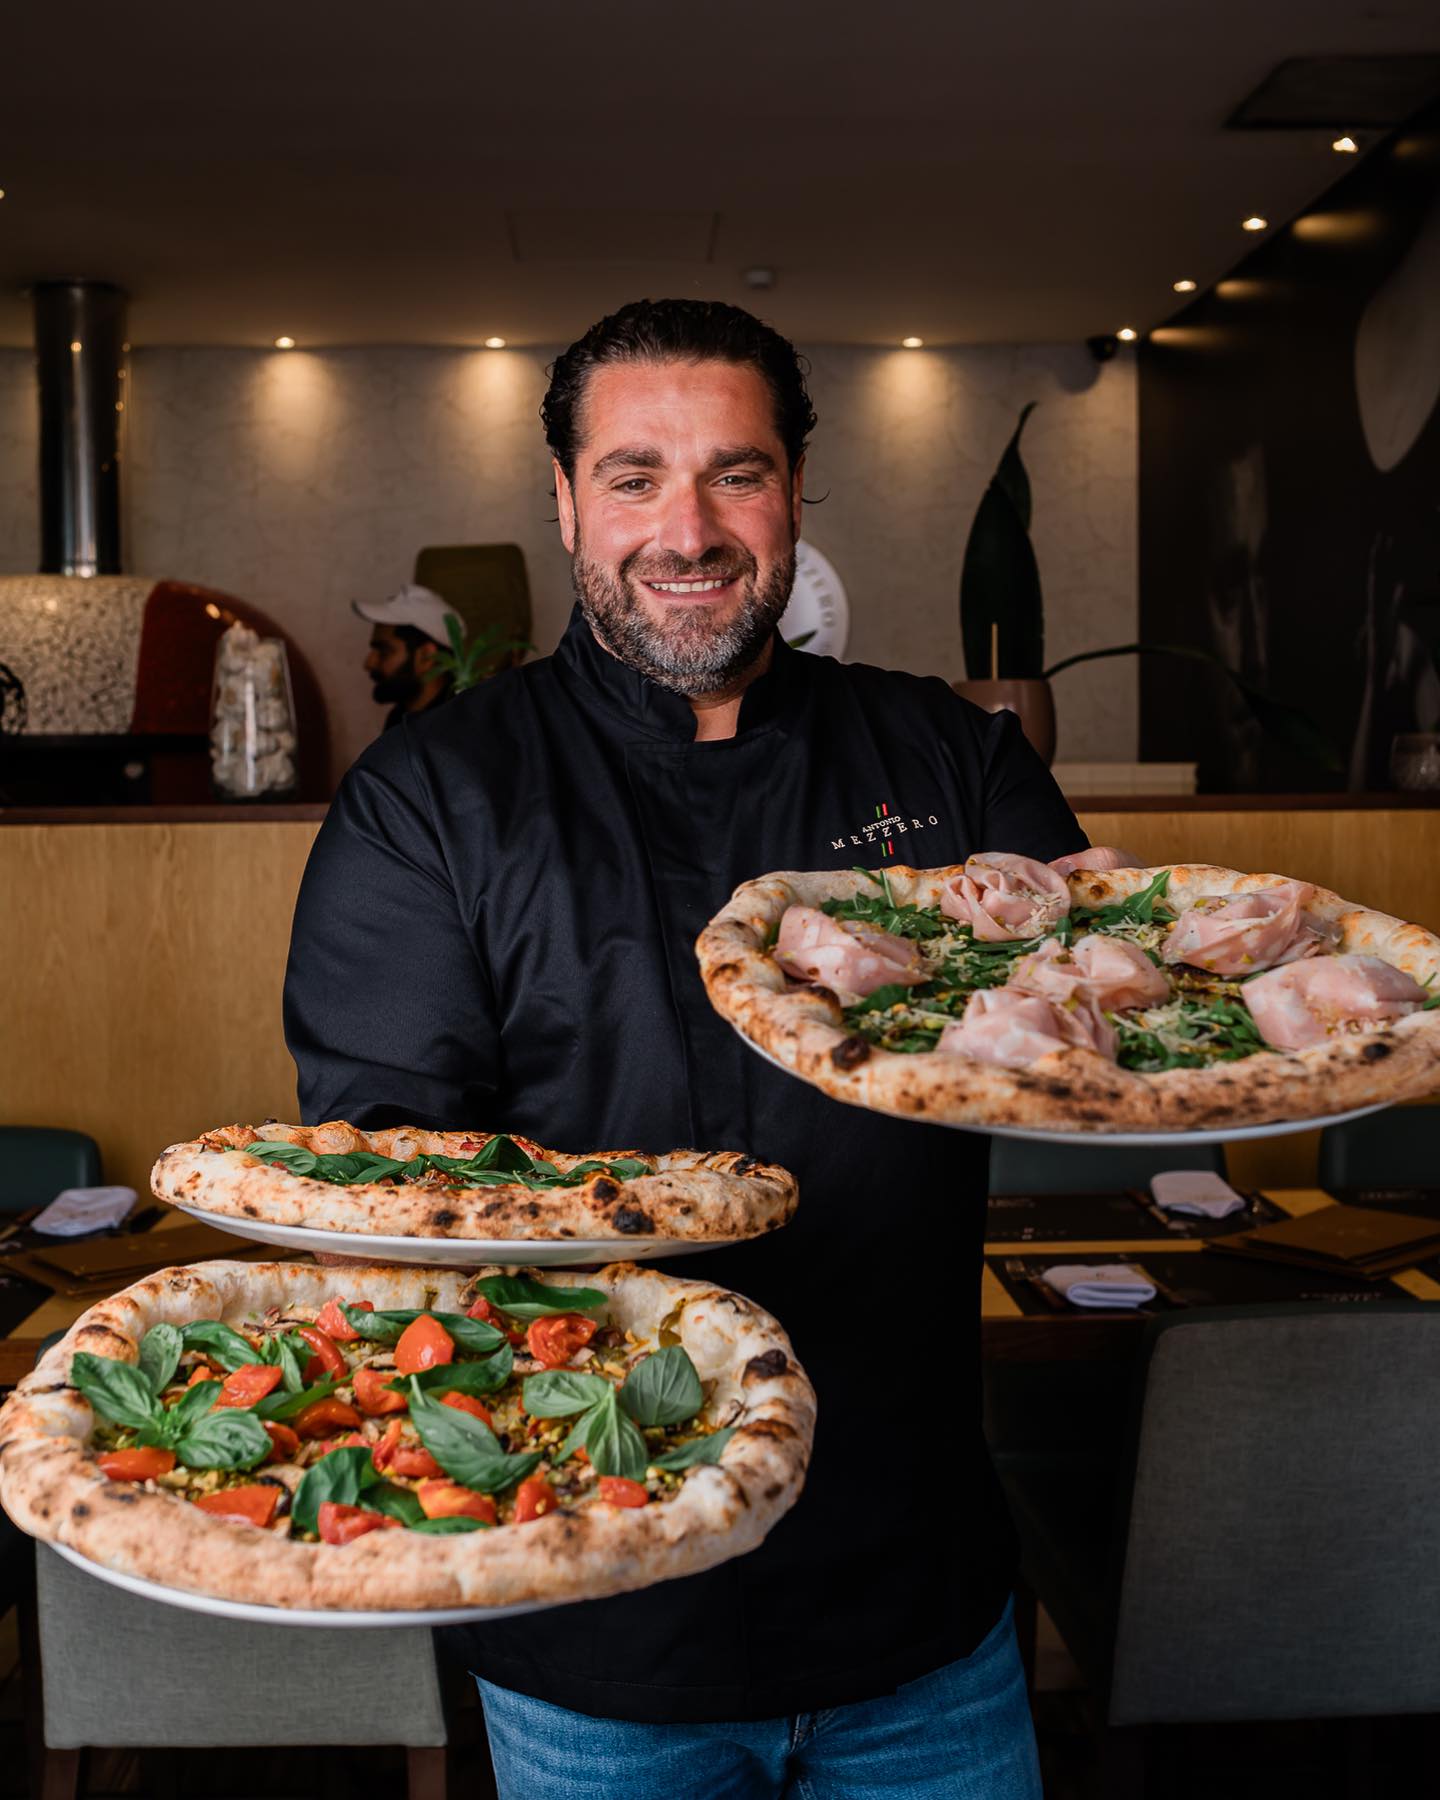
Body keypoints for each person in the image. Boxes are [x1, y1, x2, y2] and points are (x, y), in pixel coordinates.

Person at [286, 299, 1088, 1798]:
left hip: (914, 1597)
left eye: (737, 472)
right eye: (635, 476)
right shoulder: (431, 798)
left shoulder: (952, 757)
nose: (690, 529)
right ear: (566, 501)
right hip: (593, 1609)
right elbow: (386, 1184)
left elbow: (1103, 1028)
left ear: (797, 489)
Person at [354, 582, 461, 730]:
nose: (369, 663)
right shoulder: (398, 717)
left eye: (384, 651)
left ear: (426, 657)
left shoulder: (456, 729)